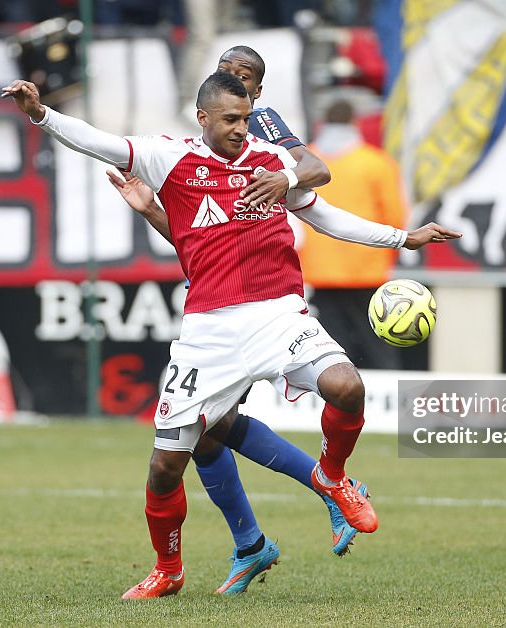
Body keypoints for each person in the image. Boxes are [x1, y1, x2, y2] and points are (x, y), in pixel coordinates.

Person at [2, 71, 460, 597]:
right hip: (209, 332)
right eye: (231, 120)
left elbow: (329, 217)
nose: (243, 129)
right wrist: (40, 114)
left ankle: (332, 477)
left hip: (277, 314)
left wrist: (404, 238)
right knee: (165, 467)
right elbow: (96, 141)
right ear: (203, 119)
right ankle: (169, 569)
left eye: (246, 118)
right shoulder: (168, 158)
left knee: (346, 386)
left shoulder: (270, 163)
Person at [111, 45, 369, 597]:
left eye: (246, 78)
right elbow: (196, 240)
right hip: (216, 304)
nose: (234, 79)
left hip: (267, 294)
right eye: (227, 70)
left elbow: (316, 178)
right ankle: (253, 541)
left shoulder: (266, 131)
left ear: (257, 93)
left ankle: (327, 489)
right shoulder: (195, 142)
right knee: (210, 431)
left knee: (215, 427)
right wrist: (155, 210)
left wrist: (288, 183)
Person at [301, 98, 408, 369]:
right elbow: (395, 217)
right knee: (377, 344)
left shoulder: (305, 163)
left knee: (329, 351)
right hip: (367, 271)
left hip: (319, 271)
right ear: (354, 124)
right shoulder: (376, 163)